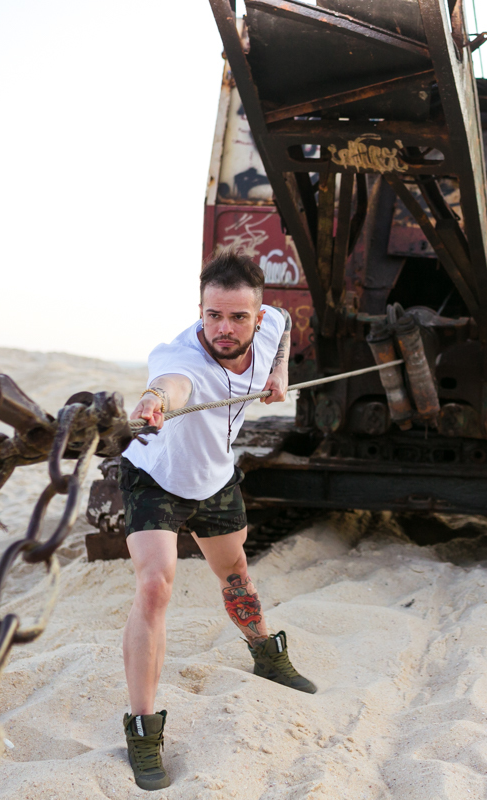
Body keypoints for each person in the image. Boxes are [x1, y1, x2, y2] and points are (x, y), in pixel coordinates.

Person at [117, 250, 316, 791]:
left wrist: (279, 372)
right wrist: (154, 402)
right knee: (156, 585)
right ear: (199, 311)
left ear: (256, 313)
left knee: (236, 576)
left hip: (214, 480)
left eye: (237, 317)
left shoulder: (271, 321)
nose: (223, 329)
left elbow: (287, 325)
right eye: (212, 316)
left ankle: (266, 656)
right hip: (155, 478)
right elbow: (170, 384)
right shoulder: (179, 357)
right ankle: (142, 728)